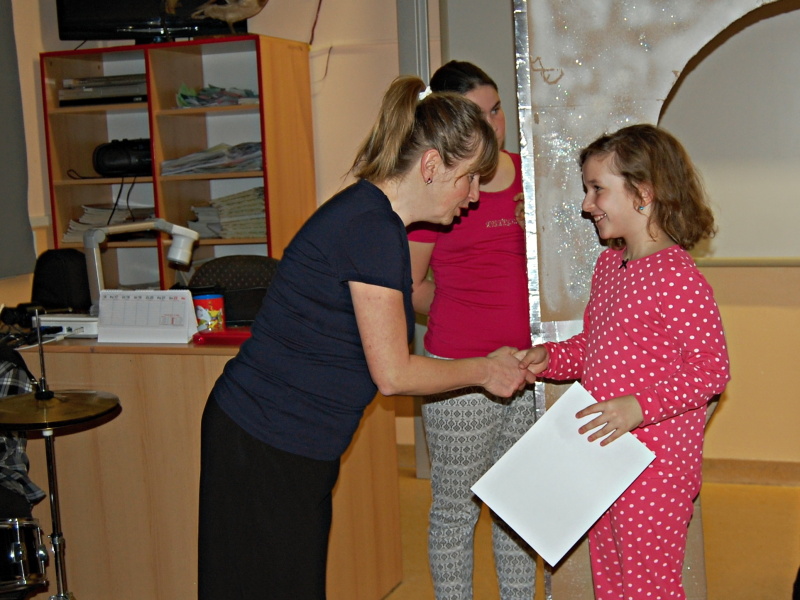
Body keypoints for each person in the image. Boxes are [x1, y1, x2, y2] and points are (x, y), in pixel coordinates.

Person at [197, 75, 530, 600]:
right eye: (468, 178)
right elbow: (394, 374)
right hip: (263, 437)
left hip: (289, 438)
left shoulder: (376, 220)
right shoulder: (371, 229)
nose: (472, 196)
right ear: (430, 165)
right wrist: (487, 370)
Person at [517, 123, 731, 599]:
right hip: (604, 457)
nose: (586, 204)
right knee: (611, 582)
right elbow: (596, 348)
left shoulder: (677, 277)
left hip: (655, 466)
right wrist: (548, 358)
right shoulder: (610, 266)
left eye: (597, 189)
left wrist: (638, 407)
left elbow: (711, 371)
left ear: (643, 193)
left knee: (648, 586)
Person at [406, 61, 536, 600]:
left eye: (497, 109)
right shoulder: (436, 188)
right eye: (478, 114)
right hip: (459, 374)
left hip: (532, 368)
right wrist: (463, 313)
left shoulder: (531, 175)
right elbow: (411, 285)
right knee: (457, 508)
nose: (494, 124)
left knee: (520, 506)